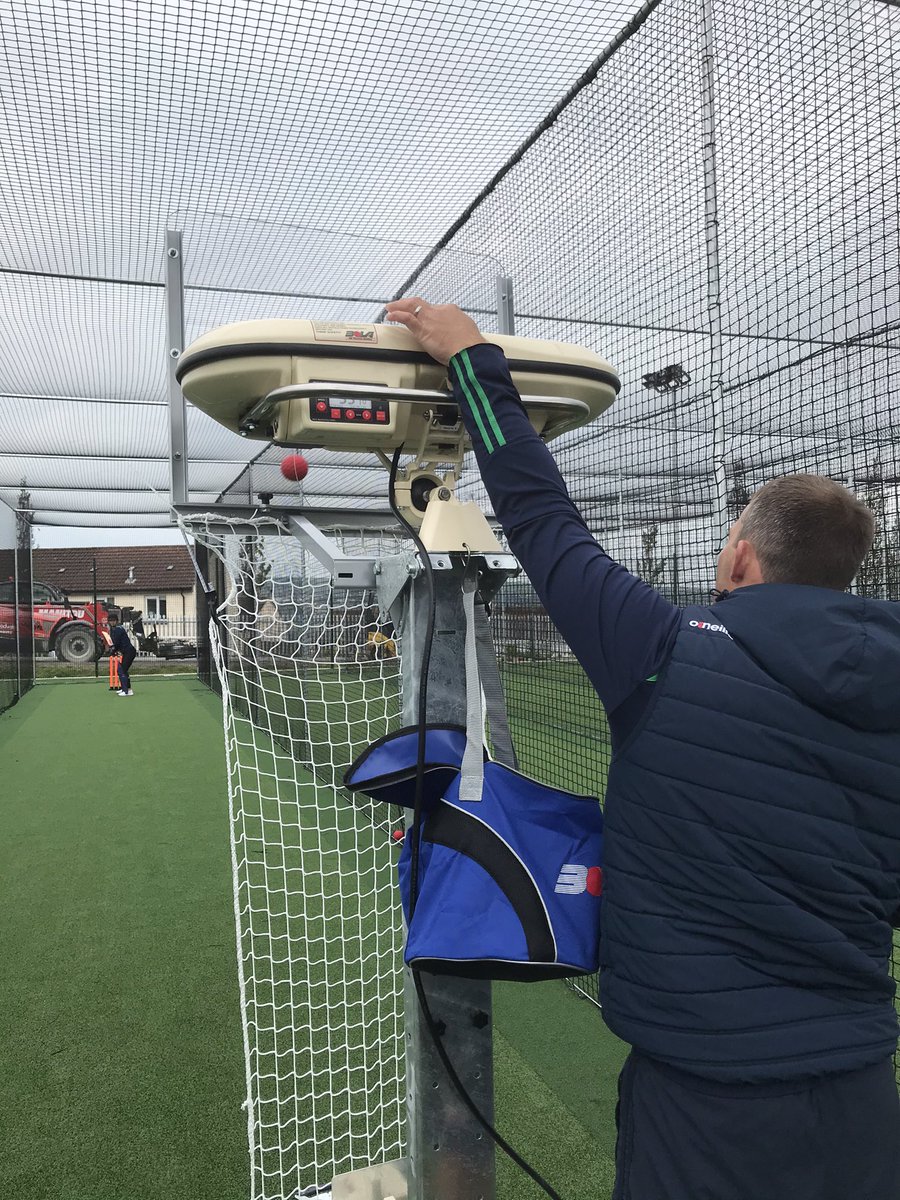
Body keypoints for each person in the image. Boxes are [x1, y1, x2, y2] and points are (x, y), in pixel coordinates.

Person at [385, 298, 900, 1200]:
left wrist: (473, 360)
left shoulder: (667, 653)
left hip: (704, 1098)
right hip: (861, 1095)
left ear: (739, 560)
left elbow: (544, 522)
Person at [107, 610, 136, 697]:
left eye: (113, 620)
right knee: (123, 670)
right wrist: (113, 650)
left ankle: (126, 691)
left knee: (121, 670)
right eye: (110, 621)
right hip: (126, 652)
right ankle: (128, 689)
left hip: (129, 652)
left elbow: (117, 643)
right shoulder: (113, 630)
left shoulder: (118, 629)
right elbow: (115, 643)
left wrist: (113, 650)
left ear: (116, 621)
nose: (112, 622)